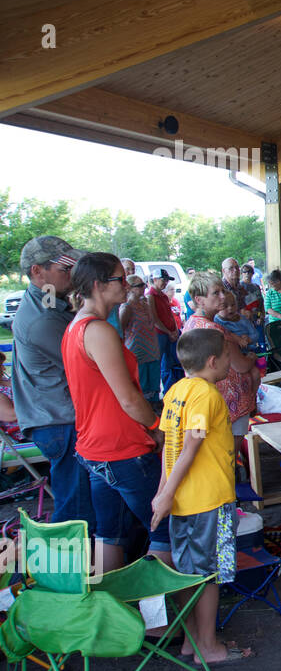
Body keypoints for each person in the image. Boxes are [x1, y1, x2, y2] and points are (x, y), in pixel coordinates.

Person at [63, 253, 171, 572]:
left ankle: (112, 613)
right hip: (122, 448)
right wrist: (156, 427)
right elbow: (128, 399)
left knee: (110, 534)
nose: (126, 284)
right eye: (118, 279)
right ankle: (158, 621)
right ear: (98, 285)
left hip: (97, 448)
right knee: (164, 529)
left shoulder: (76, 327)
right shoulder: (97, 330)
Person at [151, 328, 251, 665]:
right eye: (226, 357)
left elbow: (168, 447)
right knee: (208, 575)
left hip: (183, 501)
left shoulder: (175, 391)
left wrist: (164, 491)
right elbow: (191, 445)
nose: (229, 363)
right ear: (212, 361)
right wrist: (164, 495)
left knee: (187, 571)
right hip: (210, 501)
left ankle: (191, 640)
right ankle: (207, 646)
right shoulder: (207, 395)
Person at [10, 236, 93, 525]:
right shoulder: (41, 320)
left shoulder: (48, 297)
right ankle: (74, 565)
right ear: (37, 271)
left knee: (82, 499)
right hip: (60, 422)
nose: (72, 275)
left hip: (58, 418)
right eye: (64, 269)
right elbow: (89, 363)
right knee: (77, 507)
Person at [184, 272, 261, 438]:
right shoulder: (214, 330)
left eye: (222, 291)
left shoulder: (191, 323)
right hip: (228, 403)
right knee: (228, 457)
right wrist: (251, 358)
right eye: (215, 293)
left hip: (208, 400)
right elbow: (240, 366)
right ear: (199, 300)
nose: (223, 297)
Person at [119, 274, 162, 403]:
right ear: (130, 288)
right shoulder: (126, 307)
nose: (143, 287)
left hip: (152, 350)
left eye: (144, 284)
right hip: (137, 353)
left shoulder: (146, 303)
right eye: (139, 285)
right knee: (142, 385)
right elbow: (121, 331)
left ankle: (155, 410)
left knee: (154, 384)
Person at [146, 269, 183, 392]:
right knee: (163, 364)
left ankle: (174, 388)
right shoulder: (151, 296)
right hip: (161, 334)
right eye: (163, 280)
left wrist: (175, 330)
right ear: (155, 280)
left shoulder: (163, 295)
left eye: (167, 280)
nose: (166, 283)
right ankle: (165, 391)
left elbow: (170, 314)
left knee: (173, 362)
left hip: (171, 333)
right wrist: (168, 332)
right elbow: (155, 319)